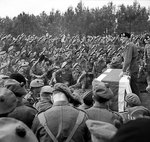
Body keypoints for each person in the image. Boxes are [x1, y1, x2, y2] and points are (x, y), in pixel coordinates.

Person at [119, 32, 140, 97]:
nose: (121, 38)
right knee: (133, 85)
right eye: (121, 37)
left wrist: (123, 71)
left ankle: (136, 102)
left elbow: (127, 60)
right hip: (132, 68)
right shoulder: (128, 45)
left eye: (124, 37)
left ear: (128, 38)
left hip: (132, 68)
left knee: (133, 86)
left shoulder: (129, 45)